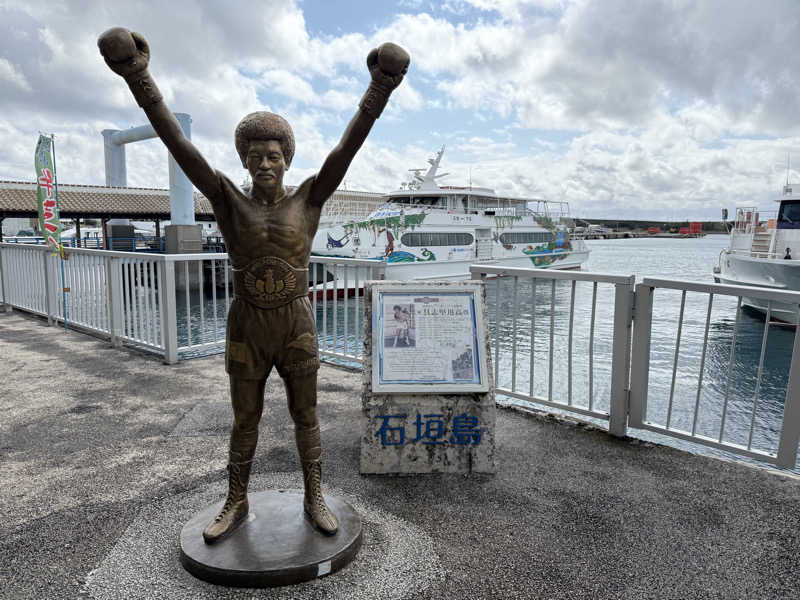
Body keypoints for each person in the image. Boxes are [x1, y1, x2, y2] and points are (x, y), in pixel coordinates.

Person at [98, 27, 408, 543]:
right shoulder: (226, 199)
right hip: (247, 321)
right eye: (255, 155)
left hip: (296, 321)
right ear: (243, 159)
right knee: (246, 418)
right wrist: (138, 76)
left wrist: (379, 89)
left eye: (274, 154)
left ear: (287, 157)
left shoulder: (309, 199)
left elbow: (346, 148)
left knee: (306, 414)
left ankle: (314, 496)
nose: (265, 163)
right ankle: (235, 501)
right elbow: (178, 143)